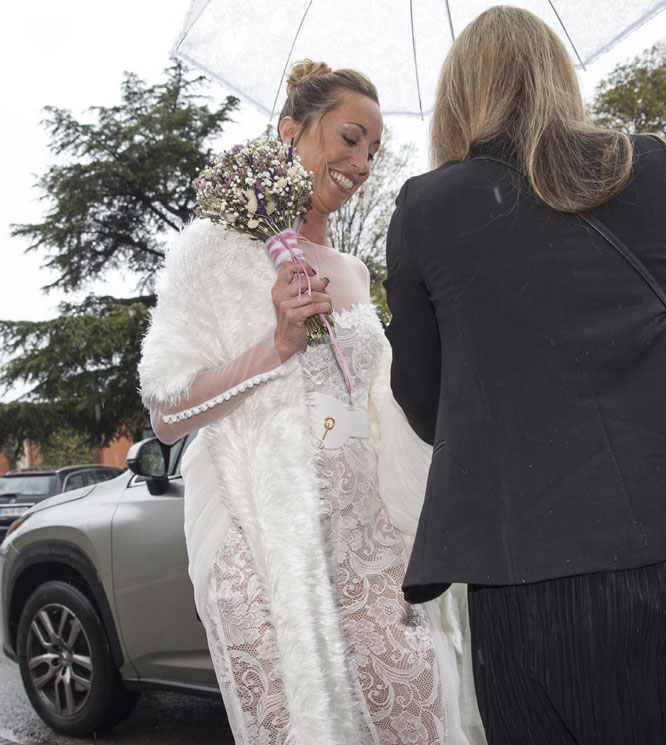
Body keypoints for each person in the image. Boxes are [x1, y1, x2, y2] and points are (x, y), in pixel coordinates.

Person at [384, 7, 666, 745]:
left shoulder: (425, 207)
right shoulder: (644, 165)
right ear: (558, 76)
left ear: (461, 94)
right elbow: (659, 323)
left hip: (530, 572)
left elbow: (423, 401)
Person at [139, 60, 483, 745]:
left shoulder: (353, 271)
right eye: (348, 137)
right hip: (261, 540)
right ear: (292, 130)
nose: (359, 163)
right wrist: (278, 343)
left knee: (420, 707)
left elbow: (383, 409)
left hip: (369, 541)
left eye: (373, 150)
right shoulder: (213, 251)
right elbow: (166, 413)